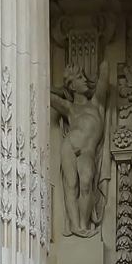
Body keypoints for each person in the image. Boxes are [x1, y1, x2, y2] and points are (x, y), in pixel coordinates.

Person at [50, 61, 108, 236]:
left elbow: (105, 74)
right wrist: (61, 90)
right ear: (72, 86)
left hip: (87, 151)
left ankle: (83, 224)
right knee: (71, 185)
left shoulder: (96, 102)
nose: (85, 80)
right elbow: (47, 95)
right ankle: (76, 226)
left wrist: (101, 69)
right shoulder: (70, 108)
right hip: (69, 146)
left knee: (86, 181)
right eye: (80, 78)